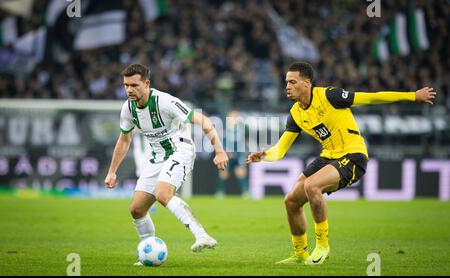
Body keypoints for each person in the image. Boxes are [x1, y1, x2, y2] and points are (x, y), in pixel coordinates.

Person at [246, 61, 436, 265]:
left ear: (307, 83)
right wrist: (265, 155)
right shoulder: (296, 113)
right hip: (328, 156)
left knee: (312, 186)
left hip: (354, 155)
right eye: (286, 82)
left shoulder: (330, 96)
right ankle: (300, 255)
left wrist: (411, 96)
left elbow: (371, 97)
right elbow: (281, 149)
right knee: (291, 201)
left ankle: (322, 246)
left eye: (293, 82)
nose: (287, 86)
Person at [104, 64, 228, 265]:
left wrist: (220, 150)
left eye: (134, 85)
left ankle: (202, 235)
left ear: (147, 84)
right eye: (126, 85)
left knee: (163, 194)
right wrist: (112, 172)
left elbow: (203, 120)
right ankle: (148, 250)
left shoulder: (165, 101)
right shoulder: (128, 108)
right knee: (136, 209)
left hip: (181, 151)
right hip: (157, 158)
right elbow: (124, 140)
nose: (129, 90)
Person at [215, 110, 249, 199]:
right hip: (228, 154)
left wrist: (244, 153)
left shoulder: (242, 129)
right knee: (223, 172)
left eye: (235, 117)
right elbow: (221, 142)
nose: (234, 119)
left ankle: (245, 192)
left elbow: (245, 141)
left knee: (241, 172)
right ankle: (220, 192)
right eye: (232, 117)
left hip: (239, 154)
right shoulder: (225, 130)